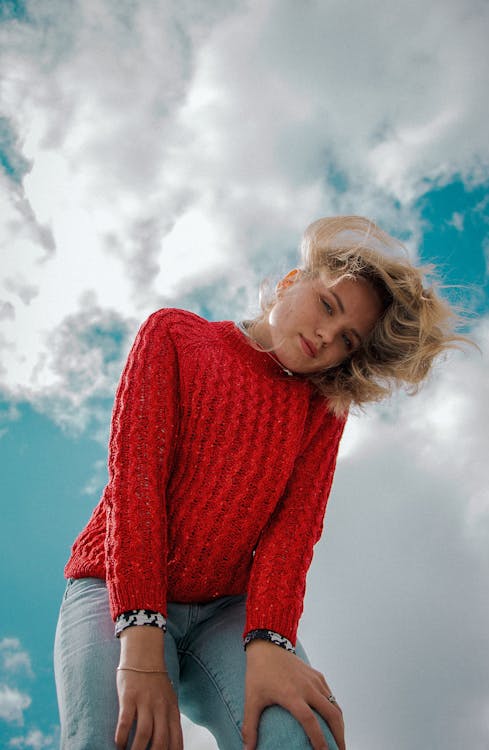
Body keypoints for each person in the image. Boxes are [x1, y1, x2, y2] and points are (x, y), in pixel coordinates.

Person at [54, 215, 466, 750]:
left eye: (347, 339)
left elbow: (291, 535)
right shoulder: (176, 335)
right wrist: (140, 632)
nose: (326, 336)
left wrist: (270, 638)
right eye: (327, 306)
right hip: (114, 582)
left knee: (300, 735)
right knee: (113, 740)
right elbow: (137, 484)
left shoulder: (322, 410)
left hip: (227, 609)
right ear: (292, 281)